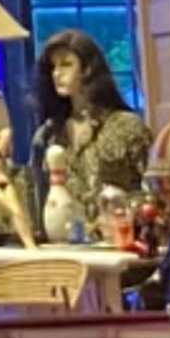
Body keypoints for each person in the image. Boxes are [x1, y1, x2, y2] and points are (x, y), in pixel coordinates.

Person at [32, 31, 153, 255]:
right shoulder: (48, 135)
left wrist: (123, 214)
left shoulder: (126, 126)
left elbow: (152, 191)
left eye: (66, 64)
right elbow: (39, 197)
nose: (57, 73)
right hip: (66, 252)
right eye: (53, 67)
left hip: (123, 250)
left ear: (87, 68)